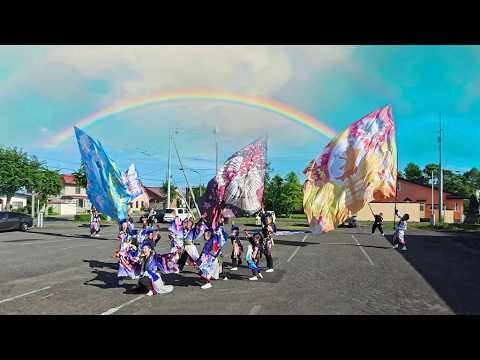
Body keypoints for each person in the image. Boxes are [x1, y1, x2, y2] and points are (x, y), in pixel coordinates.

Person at [115, 221, 140, 286]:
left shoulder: (130, 233)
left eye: (125, 225)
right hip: (122, 249)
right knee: (121, 264)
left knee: (130, 262)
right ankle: (121, 278)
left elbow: (133, 240)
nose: (124, 226)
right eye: (123, 225)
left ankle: (133, 274)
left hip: (129, 250)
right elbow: (118, 238)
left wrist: (132, 245)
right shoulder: (121, 232)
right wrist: (120, 236)